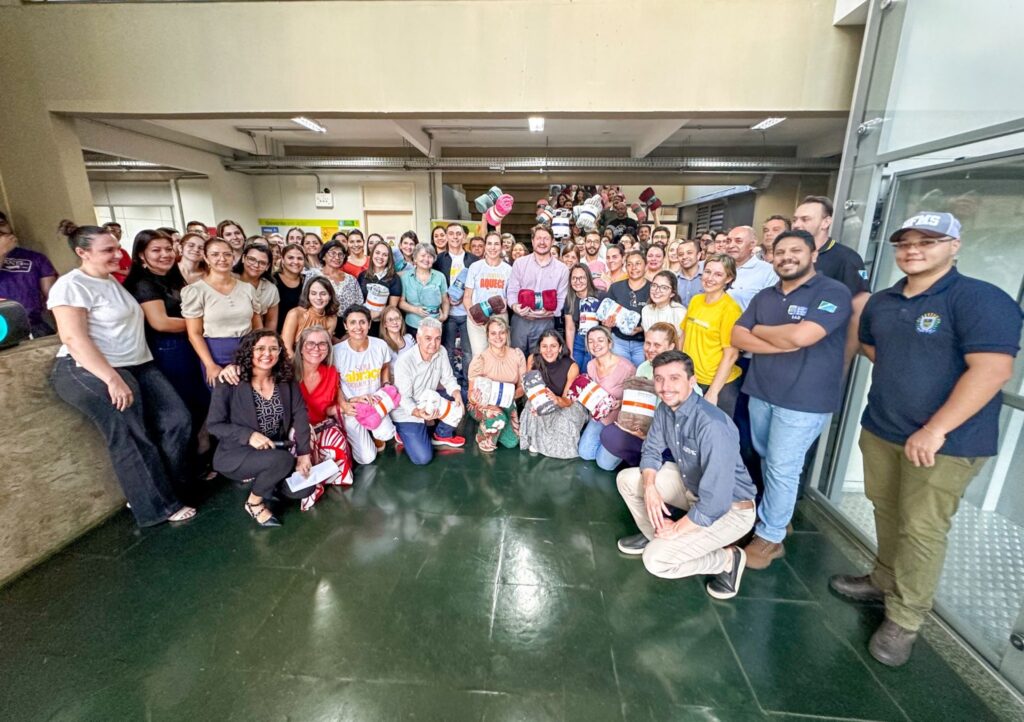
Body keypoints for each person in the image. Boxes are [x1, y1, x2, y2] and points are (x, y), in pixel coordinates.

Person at [828, 212, 1022, 667]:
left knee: (922, 529)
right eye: (905, 242)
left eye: (928, 241)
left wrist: (935, 428)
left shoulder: (978, 299)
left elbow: (993, 370)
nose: (913, 249)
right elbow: (877, 348)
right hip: (883, 428)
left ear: (955, 244)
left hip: (946, 443)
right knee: (887, 508)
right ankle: (883, 578)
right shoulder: (884, 301)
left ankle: (906, 618)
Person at [48, 221, 195, 528]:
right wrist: (111, 379)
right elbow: (73, 339)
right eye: (108, 250)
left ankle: (151, 488)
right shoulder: (71, 284)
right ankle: (156, 506)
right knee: (130, 435)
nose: (117, 254)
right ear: (82, 252)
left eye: (117, 247)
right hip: (90, 370)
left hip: (138, 364)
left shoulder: (113, 281)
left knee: (176, 420)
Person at [730, 230, 853, 570]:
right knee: (769, 461)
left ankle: (770, 539)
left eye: (795, 250)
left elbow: (804, 335)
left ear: (814, 255)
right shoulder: (766, 296)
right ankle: (778, 520)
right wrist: (783, 340)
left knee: (783, 468)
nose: (786, 256)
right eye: (780, 251)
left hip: (804, 401)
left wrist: (764, 334)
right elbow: (737, 334)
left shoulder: (832, 292)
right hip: (762, 392)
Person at [615, 350, 756, 600]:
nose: (665, 387)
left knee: (656, 561)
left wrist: (678, 528)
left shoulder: (712, 425)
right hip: (692, 487)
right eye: (659, 379)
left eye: (674, 378)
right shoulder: (665, 410)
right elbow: (650, 451)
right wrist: (650, 487)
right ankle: (656, 535)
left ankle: (726, 560)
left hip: (730, 509)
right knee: (628, 480)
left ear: (691, 382)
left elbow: (715, 503)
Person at [207, 330, 316, 527]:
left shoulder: (285, 379)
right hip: (237, 453)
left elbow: (300, 413)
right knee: (282, 460)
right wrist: (248, 435)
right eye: (261, 348)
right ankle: (254, 503)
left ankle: (267, 482)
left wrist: (304, 453)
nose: (267, 354)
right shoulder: (230, 381)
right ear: (249, 351)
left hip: (274, 449)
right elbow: (214, 425)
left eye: (273, 348)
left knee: (304, 488)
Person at [124, 229, 209, 458]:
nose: (165, 254)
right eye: (156, 250)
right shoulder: (143, 283)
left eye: (168, 249)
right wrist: (203, 324)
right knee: (181, 412)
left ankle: (198, 459)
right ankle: (184, 469)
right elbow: (160, 322)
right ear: (141, 255)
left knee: (199, 403)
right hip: (168, 353)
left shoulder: (170, 278)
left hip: (187, 348)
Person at [791, 196, 871, 364]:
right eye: (795, 219)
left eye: (805, 219)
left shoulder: (846, 259)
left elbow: (858, 308)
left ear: (825, 222)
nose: (797, 224)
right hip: (785, 350)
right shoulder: (790, 257)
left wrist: (844, 359)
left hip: (822, 356)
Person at [594, 322, 677, 471]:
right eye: (648, 343)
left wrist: (647, 437)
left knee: (610, 438)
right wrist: (621, 404)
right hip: (640, 427)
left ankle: (654, 460)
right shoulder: (644, 367)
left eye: (657, 345)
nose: (650, 349)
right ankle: (640, 458)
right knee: (603, 460)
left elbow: (683, 425)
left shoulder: (680, 373)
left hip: (664, 438)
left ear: (671, 346)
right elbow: (637, 400)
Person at [181, 237, 261, 385]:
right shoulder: (195, 291)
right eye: (215, 254)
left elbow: (257, 326)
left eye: (227, 254)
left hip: (248, 352)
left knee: (250, 399)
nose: (222, 259)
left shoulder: (247, 288)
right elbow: (194, 333)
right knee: (223, 401)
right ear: (205, 257)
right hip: (216, 354)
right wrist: (209, 364)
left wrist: (257, 353)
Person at [391, 317, 466, 463]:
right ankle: (403, 431)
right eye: (428, 338)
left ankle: (441, 434)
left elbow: (448, 379)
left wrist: (456, 394)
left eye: (437, 338)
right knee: (423, 458)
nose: (433, 344)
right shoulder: (405, 361)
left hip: (430, 399)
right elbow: (404, 399)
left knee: (464, 394)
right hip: (408, 410)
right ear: (418, 338)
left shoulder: (441, 351)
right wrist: (419, 413)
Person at [333, 304, 397, 463]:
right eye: (352, 322)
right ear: (345, 326)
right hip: (353, 407)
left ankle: (374, 433)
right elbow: (334, 383)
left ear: (369, 324)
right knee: (366, 458)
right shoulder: (337, 351)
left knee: (387, 434)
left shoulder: (380, 345)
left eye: (362, 322)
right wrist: (345, 403)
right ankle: (353, 435)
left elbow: (385, 367)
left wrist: (386, 384)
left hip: (374, 403)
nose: (358, 327)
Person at [681, 254, 743, 417]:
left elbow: (731, 355)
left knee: (713, 436)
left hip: (717, 384)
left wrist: (713, 392)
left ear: (728, 278)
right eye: (707, 272)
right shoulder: (696, 300)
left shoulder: (730, 309)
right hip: (692, 379)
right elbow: (684, 335)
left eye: (718, 274)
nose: (710, 278)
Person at [294, 325, 354, 491]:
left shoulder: (331, 373)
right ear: (301, 348)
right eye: (310, 344)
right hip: (295, 429)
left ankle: (326, 479)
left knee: (338, 444)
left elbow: (326, 409)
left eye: (322, 344)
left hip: (321, 424)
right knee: (306, 443)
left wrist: (347, 407)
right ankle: (310, 487)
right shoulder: (289, 373)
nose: (316, 349)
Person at [518, 330, 589, 458]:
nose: (549, 350)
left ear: (560, 348)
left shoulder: (572, 366)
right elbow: (528, 389)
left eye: (553, 346)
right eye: (544, 346)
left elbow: (568, 401)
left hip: (565, 403)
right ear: (539, 348)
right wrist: (538, 403)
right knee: (531, 408)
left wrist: (556, 400)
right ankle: (539, 441)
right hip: (543, 400)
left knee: (563, 421)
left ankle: (542, 443)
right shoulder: (532, 360)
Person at [506, 225, 569, 356]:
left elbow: (562, 298)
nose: (542, 242)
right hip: (520, 320)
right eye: (538, 238)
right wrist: (515, 307)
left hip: (546, 322)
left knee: (541, 361)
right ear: (533, 240)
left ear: (552, 242)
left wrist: (552, 311)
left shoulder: (562, 269)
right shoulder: (520, 263)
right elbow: (512, 291)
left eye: (546, 239)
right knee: (516, 358)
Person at [466, 317, 526, 452]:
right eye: (493, 333)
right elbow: (470, 394)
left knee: (512, 442)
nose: (498, 337)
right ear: (487, 335)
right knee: (497, 417)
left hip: (508, 402)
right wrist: (476, 398)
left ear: (507, 334)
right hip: (483, 405)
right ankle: (483, 435)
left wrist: (508, 396)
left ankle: (492, 425)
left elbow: (522, 388)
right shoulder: (480, 359)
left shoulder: (517, 355)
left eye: (502, 332)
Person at [578, 326, 636, 461]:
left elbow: (635, 400)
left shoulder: (627, 368)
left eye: (600, 340)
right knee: (585, 454)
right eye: (591, 341)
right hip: (599, 417)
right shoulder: (590, 365)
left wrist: (620, 403)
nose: (595, 345)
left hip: (619, 421)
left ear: (609, 343)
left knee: (604, 463)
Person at [435, 223, 480, 393]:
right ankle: (451, 385)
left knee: (469, 351)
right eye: (451, 233)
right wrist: (446, 299)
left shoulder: (473, 260)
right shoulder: (439, 260)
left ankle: (469, 386)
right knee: (448, 351)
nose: (455, 237)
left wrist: (465, 298)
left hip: (467, 313)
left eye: (458, 234)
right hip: (447, 314)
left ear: (464, 237)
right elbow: (436, 284)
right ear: (446, 236)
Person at [0, 211, 57, 337]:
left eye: (2, 223)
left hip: (34, 327)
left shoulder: (36, 258)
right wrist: (2, 252)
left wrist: (61, 327)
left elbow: (53, 298)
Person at [463, 230, 512, 357]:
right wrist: (472, 315)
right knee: (480, 355)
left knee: (502, 354)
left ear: (501, 247)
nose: (492, 247)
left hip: (500, 317)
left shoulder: (508, 269)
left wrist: (505, 303)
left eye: (496, 244)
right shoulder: (475, 267)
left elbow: (511, 296)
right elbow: (467, 296)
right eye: (489, 244)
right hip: (478, 317)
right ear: (485, 246)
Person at [604, 250, 649, 366]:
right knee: (621, 376)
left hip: (643, 343)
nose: (633, 267)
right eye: (629, 264)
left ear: (646, 266)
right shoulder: (615, 288)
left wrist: (640, 329)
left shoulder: (653, 289)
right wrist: (607, 323)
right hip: (618, 341)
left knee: (641, 378)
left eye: (638, 263)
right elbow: (605, 314)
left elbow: (657, 318)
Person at [280, 276, 339, 355]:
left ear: (330, 296)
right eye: (313, 293)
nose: (318, 298)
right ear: (308, 295)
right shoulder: (295, 314)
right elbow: (287, 349)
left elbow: (324, 350)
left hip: (317, 360)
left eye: (323, 294)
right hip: (292, 361)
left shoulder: (332, 319)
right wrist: (298, 367)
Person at [723, 226, 777, 311]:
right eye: (728, 241)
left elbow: (770, 309)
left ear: (752, 244)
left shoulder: (768, 272)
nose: (731, 245)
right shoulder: (719, 267)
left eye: (738, 241)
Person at [400, 242, 449, 335]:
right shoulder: (405, 277)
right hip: (413, 325)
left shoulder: (440, 276)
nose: (426, 259)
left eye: (430, 256)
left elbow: (445, 300)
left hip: (435, 325)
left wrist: (445, 316)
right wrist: (415, 310)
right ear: (415, 258)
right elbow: (401, 302)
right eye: (423, 255)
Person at [357, 240, 403, 334]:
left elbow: (391, 308)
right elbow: (358, 300)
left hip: (382, 325)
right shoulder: (362, 276)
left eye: (385, 255)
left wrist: (376, 314)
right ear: (372, 254)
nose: (380, 257)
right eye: (377, 253)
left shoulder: (394, 279)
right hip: (362, 324)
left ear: (389, 258)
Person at [234, 242, 280, 330]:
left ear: (268, 266)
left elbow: (271, 321)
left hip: (256, 336)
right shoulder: (230, 279)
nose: (256, 265)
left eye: (262, 263)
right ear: (243, 258)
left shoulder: (271, 289)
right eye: (251, 259)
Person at [563, 263, 599, 371]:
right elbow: (570, 328)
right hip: (578, 339)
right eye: (574, 278)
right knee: (574, 370)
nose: (577, 281)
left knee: (588, 371)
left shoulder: (599, 296)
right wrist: (570, 353)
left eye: (582, 278)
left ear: (588, 278)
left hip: (595, 339)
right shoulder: (569, 299)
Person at [311, 240, 363, 312]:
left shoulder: (351, 280)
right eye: (332, 253)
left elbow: (359, 303)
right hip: (322, 321)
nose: (337, 257)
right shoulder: (314, 275)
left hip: (347, 321)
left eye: (340, 254)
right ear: (323, 256)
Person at [641, 270, 685, 342]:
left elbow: (680, 344)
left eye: (664, 287)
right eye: (654, 285)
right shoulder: (646, 310)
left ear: (672, 293)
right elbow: (648, 342)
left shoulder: (680, 312)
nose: (657, 290)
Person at [274, 243, 307, 332]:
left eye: (300, 258)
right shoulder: (273, 280)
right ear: (283, 260)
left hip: (301, 333)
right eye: (290, 258)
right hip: (278, 333)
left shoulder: (307, 281)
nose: (295, 262)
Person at [379, 305, 415, 376]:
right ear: (384, 324)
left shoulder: (409, 338)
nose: (395, 322)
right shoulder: (383, 346)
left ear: (401, 320)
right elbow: (384, 373)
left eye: (397, 318)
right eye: (390, 319)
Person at [674, 239, 703, 308]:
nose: (684, 257)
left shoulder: (707, 278)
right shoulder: (673, 280)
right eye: (681, 254)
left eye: (689, 253)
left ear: (698, 255)